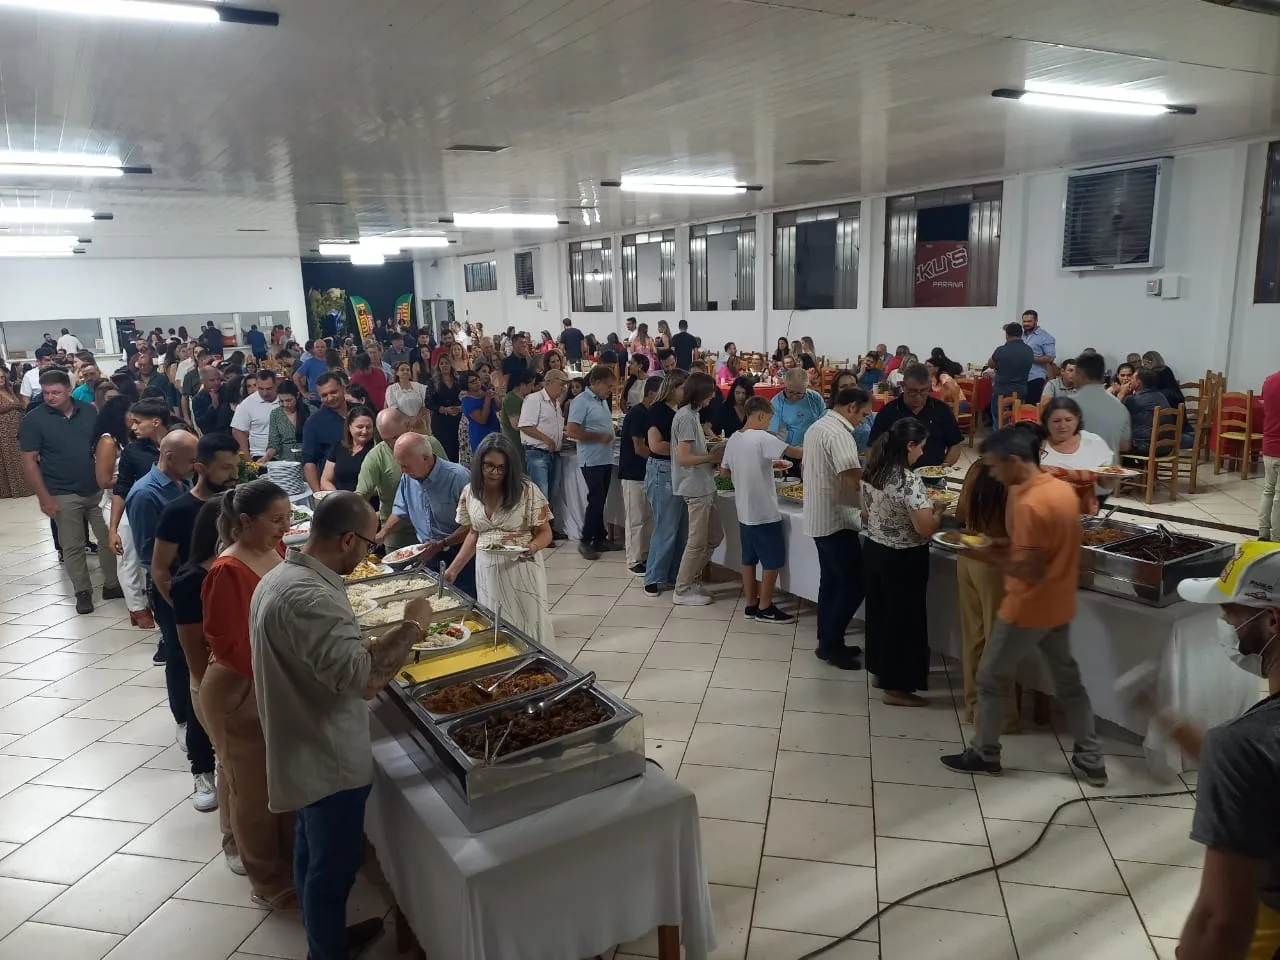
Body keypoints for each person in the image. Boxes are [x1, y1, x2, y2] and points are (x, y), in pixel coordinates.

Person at [251, 492, 430, 960]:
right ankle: (325, 952)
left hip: (302, 741)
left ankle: (325, 937)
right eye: (369, 545)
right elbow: (365, 681)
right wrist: (413, 627)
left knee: (312, 853)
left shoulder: (282, 575)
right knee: (332, 866)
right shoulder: (308, 596)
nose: (369, 554)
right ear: (348, 539)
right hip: (325, 755)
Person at [941, 426, 1105, 784]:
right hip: (1060, 601)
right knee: (1069, 682)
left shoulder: (1030, 503)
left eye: (995, 467)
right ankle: (1091, 758)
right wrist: (999, 545)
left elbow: (1028, 568)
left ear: (1014, 461)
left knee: (989, 677)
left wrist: (982, 554)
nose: (993, 474)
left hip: (1028, 606)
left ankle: (985, 753)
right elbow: (1034, 548)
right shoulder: (1057, 488)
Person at [201, 480, 296, 909]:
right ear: (245, 521)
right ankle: (268, 884)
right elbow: (229, 644)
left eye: (288, 517)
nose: (286, 527)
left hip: (269, 679)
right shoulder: (227, 570)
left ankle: (287, 863)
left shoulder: (272, 549)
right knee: (252, 791)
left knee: (276, 781)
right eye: (276, 520)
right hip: (239, 687)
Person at [151, 431, 241, 808]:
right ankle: (201, 771)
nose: (233, 474)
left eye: (236, 466)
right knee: (200, 689)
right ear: (201, 468)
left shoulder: (236, 505)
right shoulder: (179, 511)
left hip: (227, 611)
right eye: (225, 468)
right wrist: (187, 611)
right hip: (188, 610)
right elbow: (160, 570)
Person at [170, 496, 239, 865]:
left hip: (233, 682)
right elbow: (195, 655)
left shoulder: (231, 568)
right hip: (212, 683)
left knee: (240, 767)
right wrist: (214, 694)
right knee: (230, 767)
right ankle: (233, 844)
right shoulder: (191, 580)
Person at [20, 369, 121, 614]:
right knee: (72, 545)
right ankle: (82, 591)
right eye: (45, 393)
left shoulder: (90, 410)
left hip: (97, 487)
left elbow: (107, 444)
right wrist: (44, 497)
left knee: (109, 538)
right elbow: (29, 461)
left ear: (68, 389)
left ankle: (112, 584)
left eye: (56, 392)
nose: (50, 397)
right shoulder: (34, 420)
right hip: (61, 490)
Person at [860, 419, 944, 706]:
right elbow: (924, 528)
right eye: (920, 447)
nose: (922, 453)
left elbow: (866, 511)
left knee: (880, 616)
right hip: (903, 558)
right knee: (904, 622)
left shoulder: (873, 469)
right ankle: (897, 687)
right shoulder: (909, 481)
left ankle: (881, 671)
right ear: (909, 445)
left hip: (874, 549)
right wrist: (939, 511)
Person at [445, 434, 555, 644]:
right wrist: (453, 570)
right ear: (479, 465)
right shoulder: (470, 492)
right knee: (497, 622)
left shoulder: (527, 490)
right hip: (488, 571)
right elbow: (473, 533)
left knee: (527, 620)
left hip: (520, 566)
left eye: (501, 467)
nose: (495, 472)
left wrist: (532, 547)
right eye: (489, 466)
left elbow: (545, 532)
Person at [804, 385, 872, 670]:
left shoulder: (819, 426)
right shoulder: (839, 433)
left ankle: (828, 641)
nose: (864, 420)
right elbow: (853, 478)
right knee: (853, 584)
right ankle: (832, 645)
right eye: (864, 414)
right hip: (837, 519)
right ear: (851, 407)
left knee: (831, 582)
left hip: (820, 516)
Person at [721, 395, 803, 622]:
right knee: (773, 560)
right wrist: (813, 447)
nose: (769, 424)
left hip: (744, 510)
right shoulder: (761, 437)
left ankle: (751, 603)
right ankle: (766, 606)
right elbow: (794, 453)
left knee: (748, 559)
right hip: (764, 511)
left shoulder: (735, 439)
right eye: (768, 419)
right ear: (759, 415)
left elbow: (725, 471)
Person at [953, 460, 1018, 731]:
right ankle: (997, 717)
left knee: (974, 638)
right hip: (995, 565)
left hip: (967, 556)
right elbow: (1017, 533)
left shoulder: (977, 467)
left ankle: (973, 708)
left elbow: (959, 513)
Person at [378, 433, 476, 596]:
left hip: (461, 555)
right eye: (400, 465)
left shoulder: (458, 477)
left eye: (406, 465)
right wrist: (381, 536)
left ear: (425, 458)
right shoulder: (408, 477)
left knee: (463, 603)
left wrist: (443, 543)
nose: (402, 470)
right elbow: (400, 512)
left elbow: (472, 525)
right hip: (427, 555)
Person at [670, 373, 725, 606]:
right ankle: (682, 589)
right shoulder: (685, 418)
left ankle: (691, 579)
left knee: (714, 537)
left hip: (705, 483)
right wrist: (712, 457)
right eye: (710, 392)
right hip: (694, 487)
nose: (712, 396)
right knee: (697, 540)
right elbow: (683, 458)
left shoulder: (693, 415)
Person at [357, 407, 444, 553]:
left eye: (395, 437)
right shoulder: (376, 456)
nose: (392, 444)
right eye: (386, 440)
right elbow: (361, 495)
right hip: (397, 536)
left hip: (436, 533)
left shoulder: (430, 444)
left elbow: (448, 480)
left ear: (408, 426)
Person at [96, 395, 151, 628]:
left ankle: (144, 601)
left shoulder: (135, 439)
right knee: (128, 558)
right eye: (132, 416)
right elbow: (103, 480)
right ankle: (137, 609)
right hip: (118, 505)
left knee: (142, 559)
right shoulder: (108, 442)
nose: (136, 420)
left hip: (138, 504)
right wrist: (134, 476)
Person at [644, 371, 690, 598]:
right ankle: (652, 576)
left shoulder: (682, 412)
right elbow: (655, 445)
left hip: (679, 470)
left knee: (682, 528)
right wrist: (685, 450)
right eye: (684, 388)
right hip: (663, 471)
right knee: (666, 526)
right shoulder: (658, 411)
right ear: (673, 388)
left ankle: (673, 574)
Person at [867, 363, 964, 470]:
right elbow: (872, 447)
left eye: (923, 391)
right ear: (903, 385)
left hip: (933, 474)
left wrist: (944, 467)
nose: (918, 396)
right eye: (913, 391)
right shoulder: (888, 411)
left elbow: (955, 444)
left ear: (929, 386)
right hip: (895, 475)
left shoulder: (942, 410)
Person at [567, 364, 619, 560]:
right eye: (609, 386)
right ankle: (585, 540)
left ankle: (600, 538)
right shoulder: (581, 401)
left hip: (605, 457)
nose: (611, 390)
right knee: (595, 500)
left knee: (601, 500)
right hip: (592, 459)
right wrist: (598, 437)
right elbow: (572, 430)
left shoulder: (602, 400)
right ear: (596, 383)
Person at [1039, 397, 1117, 514]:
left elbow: (1105, 485)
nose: (1063, 426)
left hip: (1084, 514)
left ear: (1077, 419)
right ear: (1046, 422)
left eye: (1068, 420)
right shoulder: (1037, 444)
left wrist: (1109, 480)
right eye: (1056, 421)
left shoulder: (1093, 442)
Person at [620, 376, 660, 577]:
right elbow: (639, 447)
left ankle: (644, 556)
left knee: (648, 519)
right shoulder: (637, 413)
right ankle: (634, 559)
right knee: (636, 518)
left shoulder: (651, 413)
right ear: (652, 393)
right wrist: (659, 459)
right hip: (633, 472)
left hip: (648, 472)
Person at [519, 368, 568, 516]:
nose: (563, 388)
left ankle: (549, 528)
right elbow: (525, 425)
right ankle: (539, 530)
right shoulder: (534, 399)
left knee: (552, 494)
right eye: (561, 384)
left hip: (554, 454)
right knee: (541, 494)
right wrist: (546, 439)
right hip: (538, 453)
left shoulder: (556, 404)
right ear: (549, 383)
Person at [1072, 353, 1132, 456]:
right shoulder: (1120, 407)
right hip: (1109, 469)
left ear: (1079, 374)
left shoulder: (1069, 405)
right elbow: (1124, 446)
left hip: (1076, 468)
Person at [300, 373, 350, 492]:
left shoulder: (360, 411)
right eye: (324, 395)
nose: (330, 398)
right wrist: (318, 494)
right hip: (335, 489)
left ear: (343, 388)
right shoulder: (313, 423)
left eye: (333, 392)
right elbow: (309, 462)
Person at [1125, 368, 1192, 455]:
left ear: (1138, 382)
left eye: (1132, 378)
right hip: (1166, 447)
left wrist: (1122, 393)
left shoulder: (1134, 399)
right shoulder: (1160, 395)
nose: (1129, 380)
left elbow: (1117, 416)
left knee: (1115, 442)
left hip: (1146, 447)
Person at [320, 405, 375, 493]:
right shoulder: (339, 447)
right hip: (340, 499)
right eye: (360, 427)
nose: (364, 431)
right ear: (349, 427)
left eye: (368, 427)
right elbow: (325, 480)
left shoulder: (376, 450)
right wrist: (339, 495)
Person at [770, 368, 826, 450]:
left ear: (806, 388)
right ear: (785, 386)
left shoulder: (815, 398)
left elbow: (825, 422)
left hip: (814, 446)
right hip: (788, 449)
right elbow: (772, 434)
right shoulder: (776, 403)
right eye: (791, 392)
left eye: (799, 393)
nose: (794, 396)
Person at [987, 322, 1033, 422]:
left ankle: (1001, 436)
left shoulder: (1001, 350)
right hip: (1021, 391)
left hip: (1002, 391)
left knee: (1000, 421)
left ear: (1007, 335)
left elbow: (990, 364)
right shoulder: (1029, 350)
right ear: (1021, 334)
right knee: (1017, 420)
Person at [231, 368, 279, 461]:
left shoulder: (284, 399)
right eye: (261, 388)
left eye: (269, 389)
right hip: (260, 455)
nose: (265, 393)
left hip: (287, 454)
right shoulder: (247, 404)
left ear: (276, 385)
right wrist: (248, 459)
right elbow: (238, 431)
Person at [0, 366, 29, 499]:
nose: (0, 380)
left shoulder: (10, 391)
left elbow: (21, 405)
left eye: (2, 377)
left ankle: (24, 488)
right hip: (3, 432)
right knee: (8, 460)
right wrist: (13, 406)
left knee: (19, 458)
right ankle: (12, 491)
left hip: (16, 430)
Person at [428, 353, 462, 462]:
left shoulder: (459, 380)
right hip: (441, 421)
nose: (444, 366)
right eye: (441, 364)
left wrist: (460, 407)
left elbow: (466, 396)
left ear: (451, 364)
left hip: (458, 419)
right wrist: (443, 409)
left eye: (447, 363)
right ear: (438, 366)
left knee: (457, 449)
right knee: (443, 451)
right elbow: (428, 402)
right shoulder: (433, 382)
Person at [264, 380, 308, 463]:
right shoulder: (276, 414)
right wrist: (266, 457)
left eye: (288, 400)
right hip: (285, 462)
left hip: (308, 459)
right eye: (281, 401)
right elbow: (274, 443)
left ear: (297, 395)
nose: (285, 405)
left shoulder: (310, 411)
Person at [460, 369, 499, 463]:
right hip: (481, 434)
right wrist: (487, 399)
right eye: (472, 382)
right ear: (466, 385)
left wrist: (495, 396)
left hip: (494, 429)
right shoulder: (467, 401)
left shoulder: (484, 389)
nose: (477, 383)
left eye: (477, 379)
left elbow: (498, 407)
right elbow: (482, 420)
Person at [1020, 308, 1056, 404]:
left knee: (1030, 407)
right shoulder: (1021, 335)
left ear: (1036, 321)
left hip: (1035, 377)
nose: (1026, 324)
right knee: (1016, 408)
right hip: (1019, 378)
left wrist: (1030, 358)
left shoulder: (1045, 337)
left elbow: (1050, 357)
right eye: (1024, 321)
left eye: (1029, 321)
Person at [1261, 369, 1280, 541]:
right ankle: (1277, 539)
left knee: (1268, 491)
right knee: (1279, 497)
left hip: (1269, 444)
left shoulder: (1269, 380)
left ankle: (1263, 533)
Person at [501, 368, 537, 457]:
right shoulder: (511, 399)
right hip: (515, 443)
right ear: (522, 385)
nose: (532, 388)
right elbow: (516, 425)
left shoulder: (524, 398)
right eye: (531, 385)